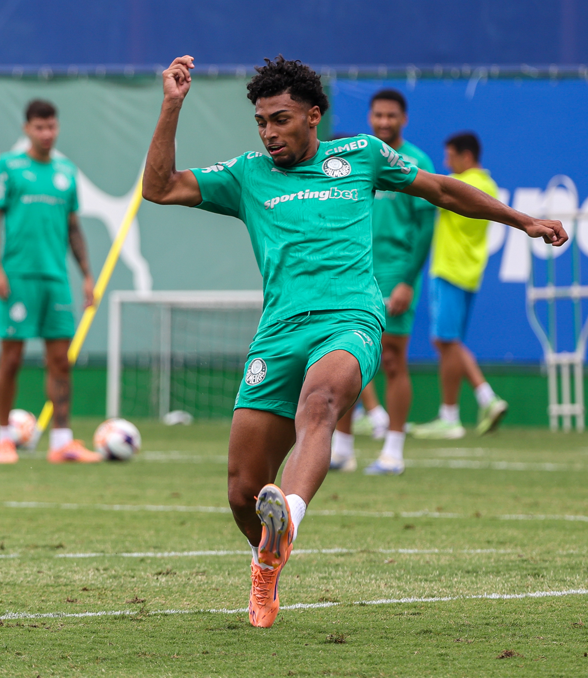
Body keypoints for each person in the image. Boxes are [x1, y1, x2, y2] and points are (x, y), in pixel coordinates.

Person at [140, 54, 564, 628]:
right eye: (261, 122)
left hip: (350, 319)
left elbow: (441, 189)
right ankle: (267, 559)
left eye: (281, 119)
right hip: (278, 333)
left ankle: (288, 517)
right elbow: (159, 187)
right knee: (242, 490)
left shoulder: (361, 155)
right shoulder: (245, 174)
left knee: (320, 403)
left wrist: (523, 220)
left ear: (313, 116)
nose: (269, 133)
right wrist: (172, 105)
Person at [329, 89, 437, 475]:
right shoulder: (359, 156)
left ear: (403, 119)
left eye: (391, 116)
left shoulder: (416, 162)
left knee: (391, 360)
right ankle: (341, 449)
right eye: (378, 115)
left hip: (395, 273)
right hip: (356, 271)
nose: (384, 122)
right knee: (343, 358)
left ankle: (393, 451)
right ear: (370, 117)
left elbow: (426, 227)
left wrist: (408, 280)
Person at [0, 99, 100, 465]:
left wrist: (86, 275)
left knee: (60, 361)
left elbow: (73, 228)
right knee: (12, 358)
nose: (46, 133)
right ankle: (3, 438)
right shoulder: (9, 167)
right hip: (18, 277)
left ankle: (61, 442)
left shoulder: (66, 171)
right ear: (27, 129)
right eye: (39, 127)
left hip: (56, 278)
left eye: (51, 126)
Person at [412, 132, 509, 439]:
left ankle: (481, 400)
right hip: (467, 274)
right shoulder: (488, 185)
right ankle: (452, 413)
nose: (446, 163)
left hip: (450, 270)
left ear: (466, 157)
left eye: (450, 157)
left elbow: (428, 191)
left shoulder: (462, 185)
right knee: (446, 342)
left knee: (447, 341)